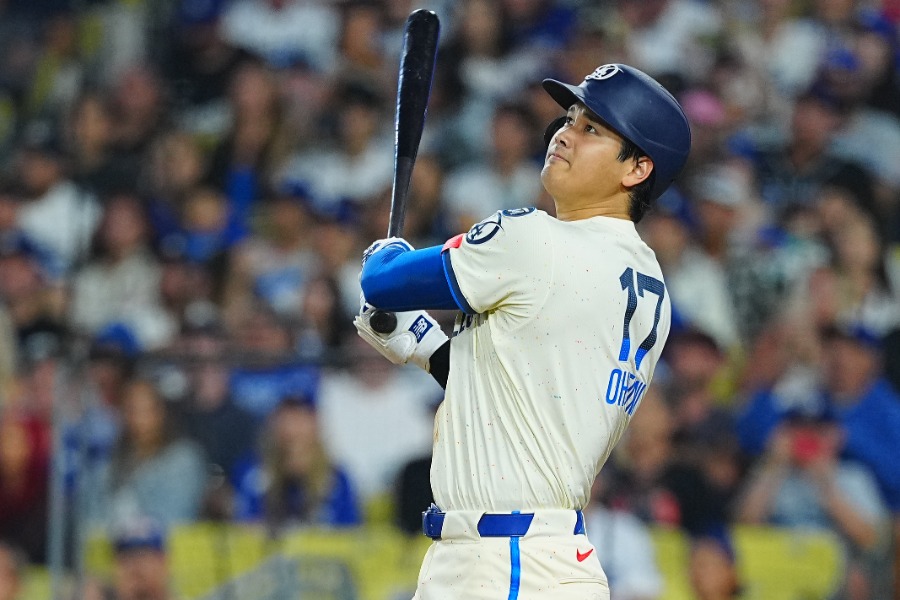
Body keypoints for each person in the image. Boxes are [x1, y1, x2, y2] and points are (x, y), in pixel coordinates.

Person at [355, 63, 690, 599]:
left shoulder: (534, 239)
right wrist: (426, 349)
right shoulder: (650, 281)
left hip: (504, 562)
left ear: (636, 169)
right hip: (536, 555)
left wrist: (386, 254)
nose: (564, 133)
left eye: (592, 129)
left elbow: (383, 281)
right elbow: (527, 393)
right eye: (570, 118)